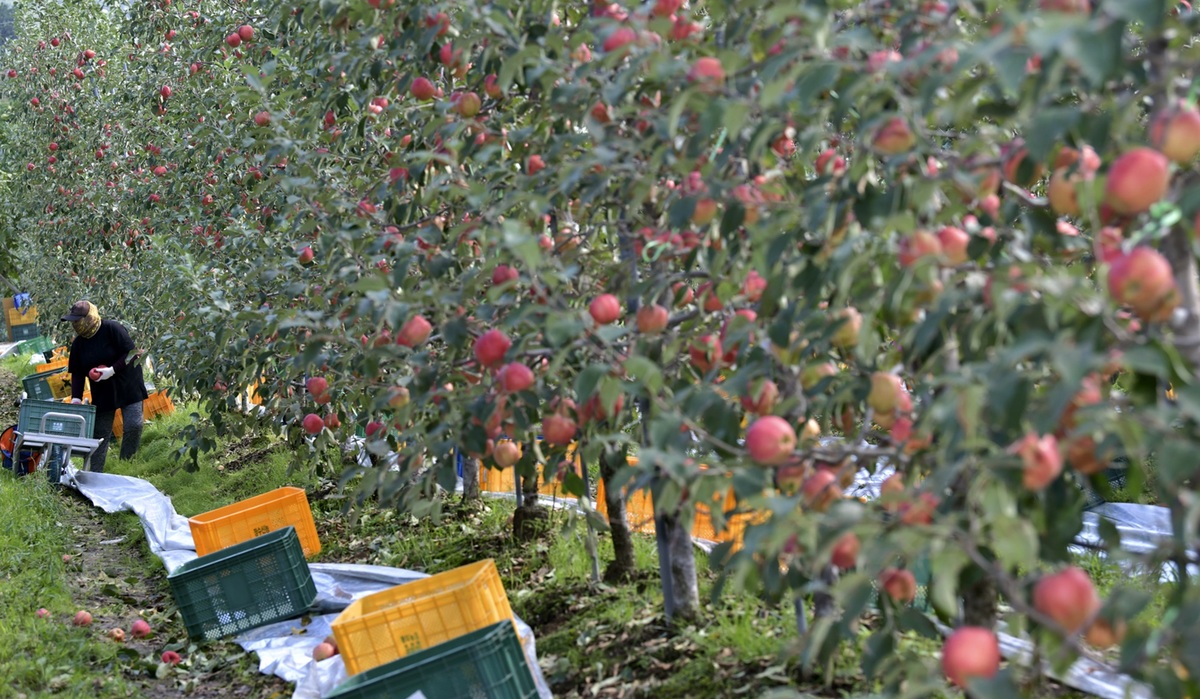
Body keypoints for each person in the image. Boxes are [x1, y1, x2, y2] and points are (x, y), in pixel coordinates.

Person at [60, 300, 149, 472]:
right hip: (103, 389)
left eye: (78, 320)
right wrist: (76, 398)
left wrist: (112, 370)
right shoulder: (79, 344)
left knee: (134, 425)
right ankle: (95, 473)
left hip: (127, 382)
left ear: (90, 316)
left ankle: (126, 464)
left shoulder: (112, 329)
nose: (76, 324)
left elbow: (132, 353)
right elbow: (77, 372)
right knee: (100, 433)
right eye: (73, 321)